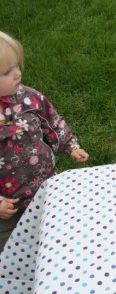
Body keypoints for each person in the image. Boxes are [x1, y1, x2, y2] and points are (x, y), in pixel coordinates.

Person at [0, 30, 89, 252]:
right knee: (13, 250)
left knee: (56, 235)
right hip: (8, 204)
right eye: (6, 72)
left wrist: (70, 146)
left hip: (44, 184)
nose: (17, 74)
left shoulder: (29, 98)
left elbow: (52, 122)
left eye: (16, 66)